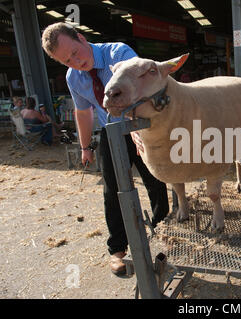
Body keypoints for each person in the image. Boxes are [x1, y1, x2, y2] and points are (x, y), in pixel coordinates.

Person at [41, 22, 169, 276]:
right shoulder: (73, 77)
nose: (76, 62)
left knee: (156, 180)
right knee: (112, 191)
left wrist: (135, 127)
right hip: (112, 133)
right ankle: (117, 249)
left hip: (142, 127)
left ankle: (163, 236)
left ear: (81, 37)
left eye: (76, 53)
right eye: (67, 61)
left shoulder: (119, 54)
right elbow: (83, 111)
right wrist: (85, 146)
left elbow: (142, 89)